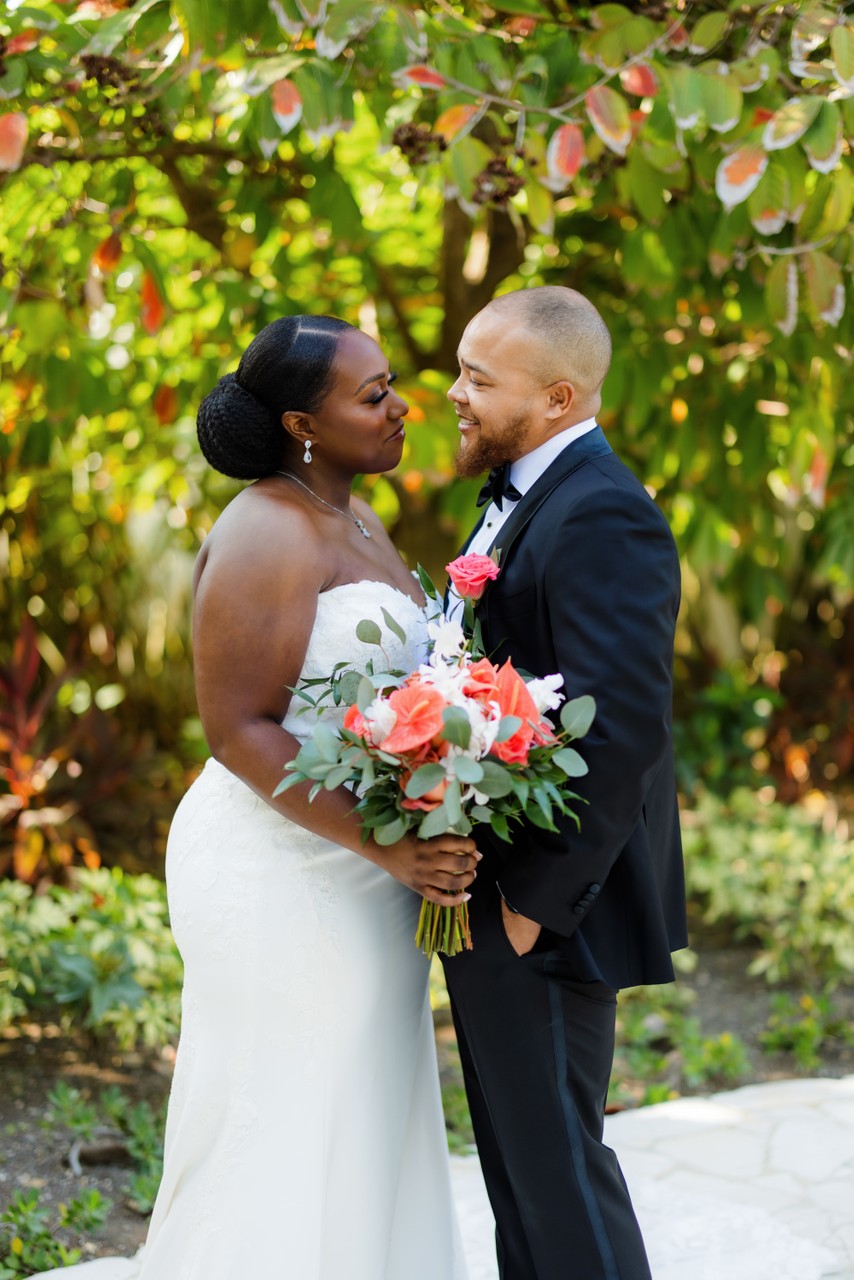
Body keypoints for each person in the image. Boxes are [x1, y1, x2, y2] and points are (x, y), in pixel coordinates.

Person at [42, 315, 478, 1280]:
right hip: (281, 869)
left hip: (366, 866)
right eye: (373, 396)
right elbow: (239, 729)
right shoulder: (268, 530)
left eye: (392, 383)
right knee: (281, 1111)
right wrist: (390, 844)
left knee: (360, 1108)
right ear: (301, 424)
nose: (402, 406)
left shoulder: (357, 517)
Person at [442, 286, 687, 1280]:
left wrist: (531, 908)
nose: (454, 394)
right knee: (519, 1172)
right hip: (491, 891)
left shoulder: (599, 511)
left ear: (552, 397)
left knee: (558, 1176)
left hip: (546, 905)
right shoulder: (524, 489)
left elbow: (620, 727)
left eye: (476, 378)